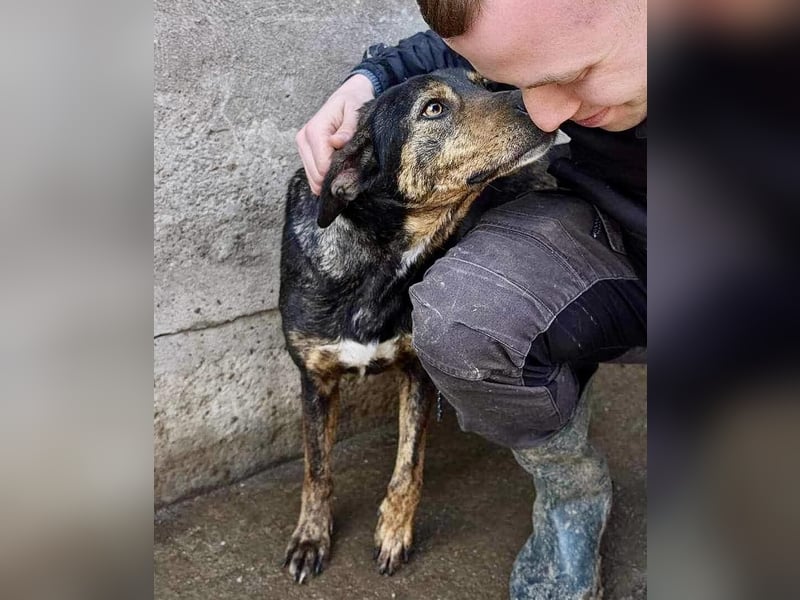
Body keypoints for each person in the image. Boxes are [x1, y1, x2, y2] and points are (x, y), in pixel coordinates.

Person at [295, 1, 647, 598]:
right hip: (623, 240)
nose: (542, 115)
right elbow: (452, 51)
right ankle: (571, 495)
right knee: (465, 316)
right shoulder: (573, 43)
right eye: (525, 82)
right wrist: (366, 83)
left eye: (573, 75)